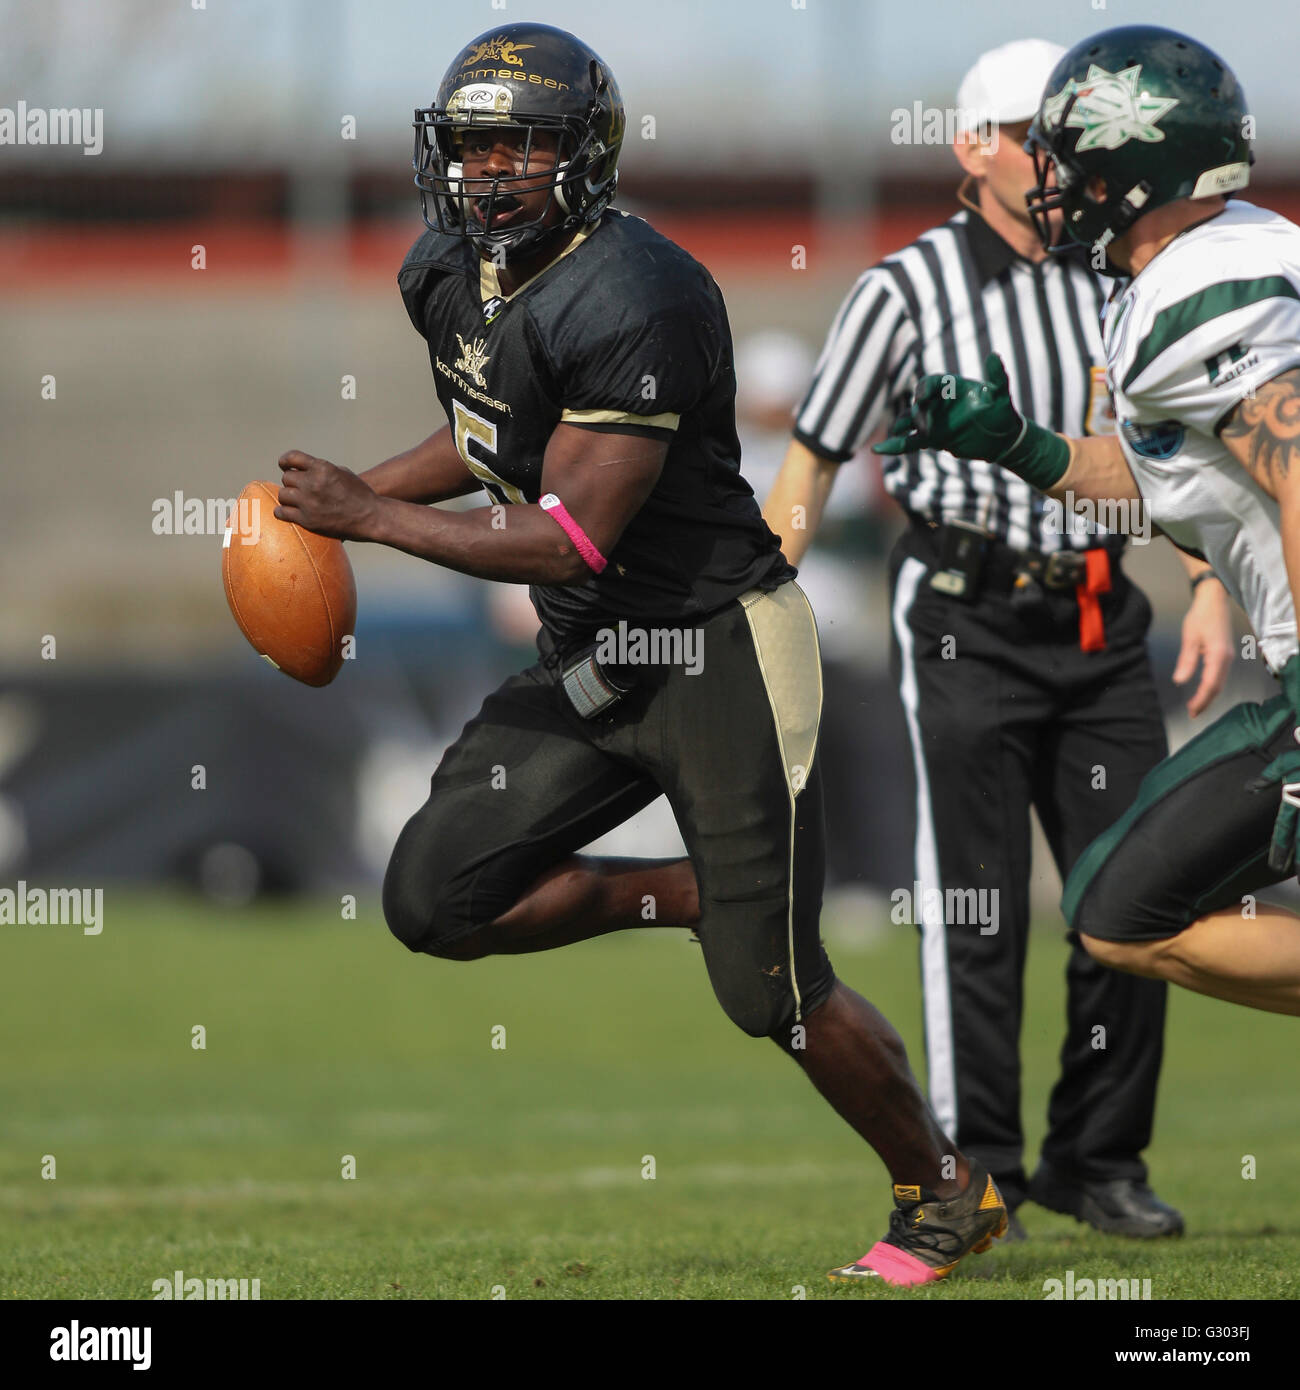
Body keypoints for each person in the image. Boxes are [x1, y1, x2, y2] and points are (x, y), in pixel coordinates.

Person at [270, 21, 1007, 1286]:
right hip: (592, 653)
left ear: (585, 153)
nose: (488, 170)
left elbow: (570, 535)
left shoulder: (642, 289)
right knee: (433, 900)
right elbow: (491, 429)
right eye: (471, 145)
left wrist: (371, 520)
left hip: (718, 646)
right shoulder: (445, 269)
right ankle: (682, 895)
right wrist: (345, 491)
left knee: (771, 992)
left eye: (521, 143)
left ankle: (946, 1191)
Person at [763, 37, 1233, 1238]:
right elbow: (812, 457)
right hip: (965, 612)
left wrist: (1205, 581)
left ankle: (1099, 1157)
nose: (1060, 160)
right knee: (974, 908)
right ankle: (989, 1174)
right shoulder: (903, 290)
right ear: (971, 147)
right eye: (1038, 135)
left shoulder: (1114, 278)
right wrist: (760, 600)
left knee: (1134, 897)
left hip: (1097, 609)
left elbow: (1159, 455)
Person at [879, 25, 1300, 1044]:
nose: (1051, 184)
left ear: (1127, 168)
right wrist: (1018, 445)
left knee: (1122, 907)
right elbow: (1168, 477)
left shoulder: (1200, 292)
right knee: (1115, 908)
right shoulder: (1214, 254)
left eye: (1068, 159)